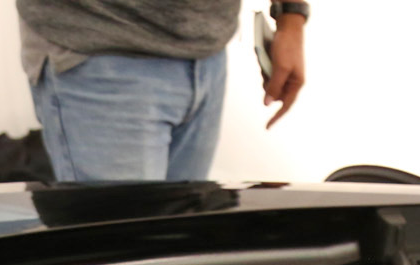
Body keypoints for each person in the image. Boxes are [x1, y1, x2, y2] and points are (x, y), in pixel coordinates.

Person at [18, 1, 307, 183]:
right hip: (101, 47)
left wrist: (291, 17)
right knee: (124, 261)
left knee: (175, 252)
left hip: (208, 49)